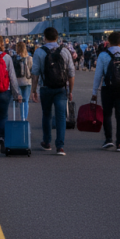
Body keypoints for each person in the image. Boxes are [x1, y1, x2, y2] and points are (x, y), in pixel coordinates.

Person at [30, 26, 75, 155]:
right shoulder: (65, 51)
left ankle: (47, 142)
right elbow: (71, 73)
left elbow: (35, 73)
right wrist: (70, 90)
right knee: (61, 116)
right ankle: (60, 146)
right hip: (61, 88)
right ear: (57, 38)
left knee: (47, 114)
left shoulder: (39, 52)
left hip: (45, 87)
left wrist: (34, 90)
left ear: (44, 38)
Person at [91, 31, 120, 152]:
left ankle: (108, 139)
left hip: (108, 89)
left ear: (108, 42)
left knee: (107, 114)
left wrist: (94, 92)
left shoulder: (103, 55)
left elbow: (98, 75)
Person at [14, 41, 33, 120]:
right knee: (26, 100)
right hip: (27, 81)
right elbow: (32, 69)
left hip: (18, 81)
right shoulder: (29, 58)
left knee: (20, 100)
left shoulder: (14, 58)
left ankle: (22, 117)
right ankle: (24, 118)